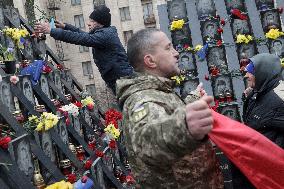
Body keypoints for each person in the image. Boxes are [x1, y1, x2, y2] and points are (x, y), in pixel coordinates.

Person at [116, 28, 223, 188]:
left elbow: (164, 115)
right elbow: (147, 143)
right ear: (150, 61)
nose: (176, 53)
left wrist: (191, 101)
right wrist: (185, 126)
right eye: (168, 48)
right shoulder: (141, 100)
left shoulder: (157, 92)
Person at [34, 5, 133, 94]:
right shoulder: (105, 33)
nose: (88, 23)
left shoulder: (104, 36)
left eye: (92, 21)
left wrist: (51, 30)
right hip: (118, 78)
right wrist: (66, 26)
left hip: (122, 79)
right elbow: (84, 35)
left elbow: (81, 38)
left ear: (101, 24)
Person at [231, 53, 284, 189]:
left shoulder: (281, 97)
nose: (246, 76)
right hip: (252, 170)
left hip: (267, 173)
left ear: (263, 71)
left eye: (250, 72)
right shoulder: (256, 94)